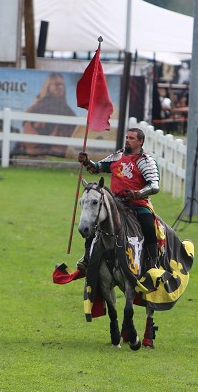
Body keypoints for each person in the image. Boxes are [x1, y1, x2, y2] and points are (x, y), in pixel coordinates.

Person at [78, 128, 161, 275]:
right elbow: (96, 168)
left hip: (138, 204)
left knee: (149, 227)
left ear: (140, 141)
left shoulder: (146, 161)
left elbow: (154, 186)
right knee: (94, 221)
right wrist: (86, 162)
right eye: (127, 137)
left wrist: (138, 194)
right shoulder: (117, 156)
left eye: (132, 138)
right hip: (115, 203)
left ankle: (152, 263)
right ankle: (87, 258)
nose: (127, 140)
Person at [23, 73, 76, 155]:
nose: (61, 87)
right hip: (38, 150)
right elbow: (28, 133)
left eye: (62, 85)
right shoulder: (36, 108)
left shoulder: (68, 111)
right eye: (57, 84)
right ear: (48, 86)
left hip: (60, 150)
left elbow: (73, 135)